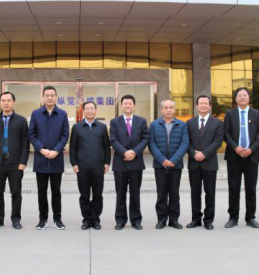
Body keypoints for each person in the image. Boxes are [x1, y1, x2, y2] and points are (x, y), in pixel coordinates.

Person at [0, 91, 30, 230]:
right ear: (0, 103)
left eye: (8, 100)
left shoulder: (21, 121)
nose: (6, 103)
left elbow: (25, 143)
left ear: (13, 102)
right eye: (3, 100)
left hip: (15, 163)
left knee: (16, 193)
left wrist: (23, 161)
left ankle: (16, 219)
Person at [223, 87, 259, 229]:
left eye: (245, 95)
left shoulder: (256, 114)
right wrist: (236, 147)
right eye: (239, 95)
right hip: (234, 157)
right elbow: (226, 133)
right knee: (233, 189)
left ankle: (250, 217)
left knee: (251, 189)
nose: (242, 97)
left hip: (251, 157)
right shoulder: (230, 113)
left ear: (248, 98)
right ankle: (233, 217)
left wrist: (251, 149)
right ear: (236, 99)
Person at [28, 86, 70, 231]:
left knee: (56, 191)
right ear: (43, 97)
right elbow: (31, 134)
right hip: (41, 158)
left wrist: (57, 150)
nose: (50, 98)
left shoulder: (62, 114)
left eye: (52, 95)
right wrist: (41, 149)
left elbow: (65, 135)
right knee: (42, 191)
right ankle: (43, 219)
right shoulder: (36, 114)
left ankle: (57, 219)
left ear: (56, 97)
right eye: (47, 95)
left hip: (56, 158)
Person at [109, 94, 149, 230]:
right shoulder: (115, 122)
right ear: (121, 106)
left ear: (134, 105)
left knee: (135, 193)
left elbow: (145, 138)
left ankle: (136, 220)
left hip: (136, 163)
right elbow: (113, 140)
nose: (127, 105)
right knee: (120, 194)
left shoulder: (141, 121)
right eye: (125, 103)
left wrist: (134, 152)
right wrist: (124, 152)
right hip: (120, 163)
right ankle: (120, 220)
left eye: (130, 103)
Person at [148, 99, 189, 230]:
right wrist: (162, 159)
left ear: (174, 109)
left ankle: (173, 220)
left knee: (174, 193)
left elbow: (185, 143)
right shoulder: (154, 125)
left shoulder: (182, 125)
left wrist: (174, 160)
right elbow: (151, 143)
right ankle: (161, 220)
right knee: (161, 193)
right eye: (166, 107)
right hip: (160, 165)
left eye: (171, 107)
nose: (169, 110)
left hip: (175, 165)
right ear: (162, 110)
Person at [70, 101, 111, 230]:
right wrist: (74, 163)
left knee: (98, 194)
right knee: (84, 195)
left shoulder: (102, 127)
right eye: (87, 109)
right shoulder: (77, 127)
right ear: (83, 111)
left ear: (96, 110)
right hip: (82, 166)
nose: (89, 111)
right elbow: (73, 147)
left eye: (92, 108)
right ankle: (86, 219)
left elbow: (106, 146)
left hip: (98, 166)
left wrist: (107, 162)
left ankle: (96, 219)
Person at [186, 95, 223, 230]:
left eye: (205, 103)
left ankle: (208, 220)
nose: (203, 105)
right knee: (195, 193)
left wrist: (204, 154)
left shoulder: (217, 123)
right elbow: (186, 141)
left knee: (210, 193)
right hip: (194, 163)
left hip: (210, 163)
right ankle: (196, 219)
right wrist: (194, 153)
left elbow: (218, 141)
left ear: (210, 106)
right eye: (200, 103)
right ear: (197, 106)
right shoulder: (190, 122)